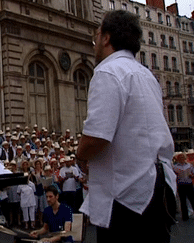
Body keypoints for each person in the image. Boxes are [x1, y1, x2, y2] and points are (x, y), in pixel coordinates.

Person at [75, 10, 177, 243]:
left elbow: (96, 137)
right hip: (157, 187)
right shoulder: (146, 75)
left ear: (107, 38)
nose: (94, 43)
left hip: (127, 196)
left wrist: (80, 157)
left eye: (96, 36)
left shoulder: (108, 71)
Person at [172, 152, 194, 221]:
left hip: (188, 184)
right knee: (182, 201)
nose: (181, 158)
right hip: (181, 184)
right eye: (180, 157)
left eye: (182, 157)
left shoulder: (189, 165)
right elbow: (173, 175)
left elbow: (193, 173)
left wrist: (191, 175)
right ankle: (185, 216)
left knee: (192, 199)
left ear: (185, 158)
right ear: (177, 159)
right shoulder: (175, 167)